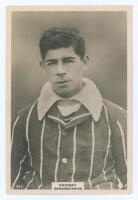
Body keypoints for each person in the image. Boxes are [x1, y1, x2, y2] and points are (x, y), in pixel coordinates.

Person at [11, 27, 127, 190]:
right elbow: (11, 181)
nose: (60, 71)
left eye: (68, 61)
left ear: (84, 62)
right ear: (42, 66)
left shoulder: (117, 116)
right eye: (52, 63)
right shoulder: (24, 119)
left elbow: (131, 181)